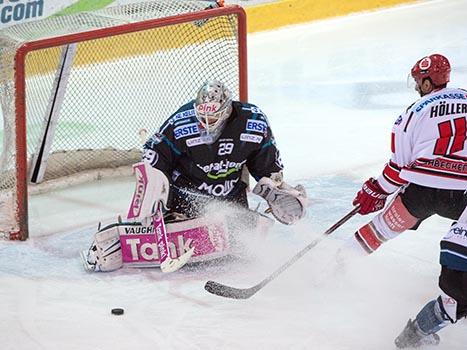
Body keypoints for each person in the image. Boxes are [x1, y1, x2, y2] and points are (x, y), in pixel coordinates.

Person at [83, 80, 307, 272]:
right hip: (186, 196)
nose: (206, 124)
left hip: (231, 198)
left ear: (228, 110)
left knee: (243, 250)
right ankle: (133, 232)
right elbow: (153, 152)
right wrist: (155, 181)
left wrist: (273, 186)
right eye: (202, 117)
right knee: (197, 246)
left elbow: (265, 161)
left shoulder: (253, 122)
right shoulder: (182, 121)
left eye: (214, 117)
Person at [350, 54, 467, 348]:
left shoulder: (413, 111)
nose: (417, 86)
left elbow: (397, 168)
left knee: (380, 230)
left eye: (418, 81)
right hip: (462, 196)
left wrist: (376, 190)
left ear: (427, 81)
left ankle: (336, 263)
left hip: (423, 191)